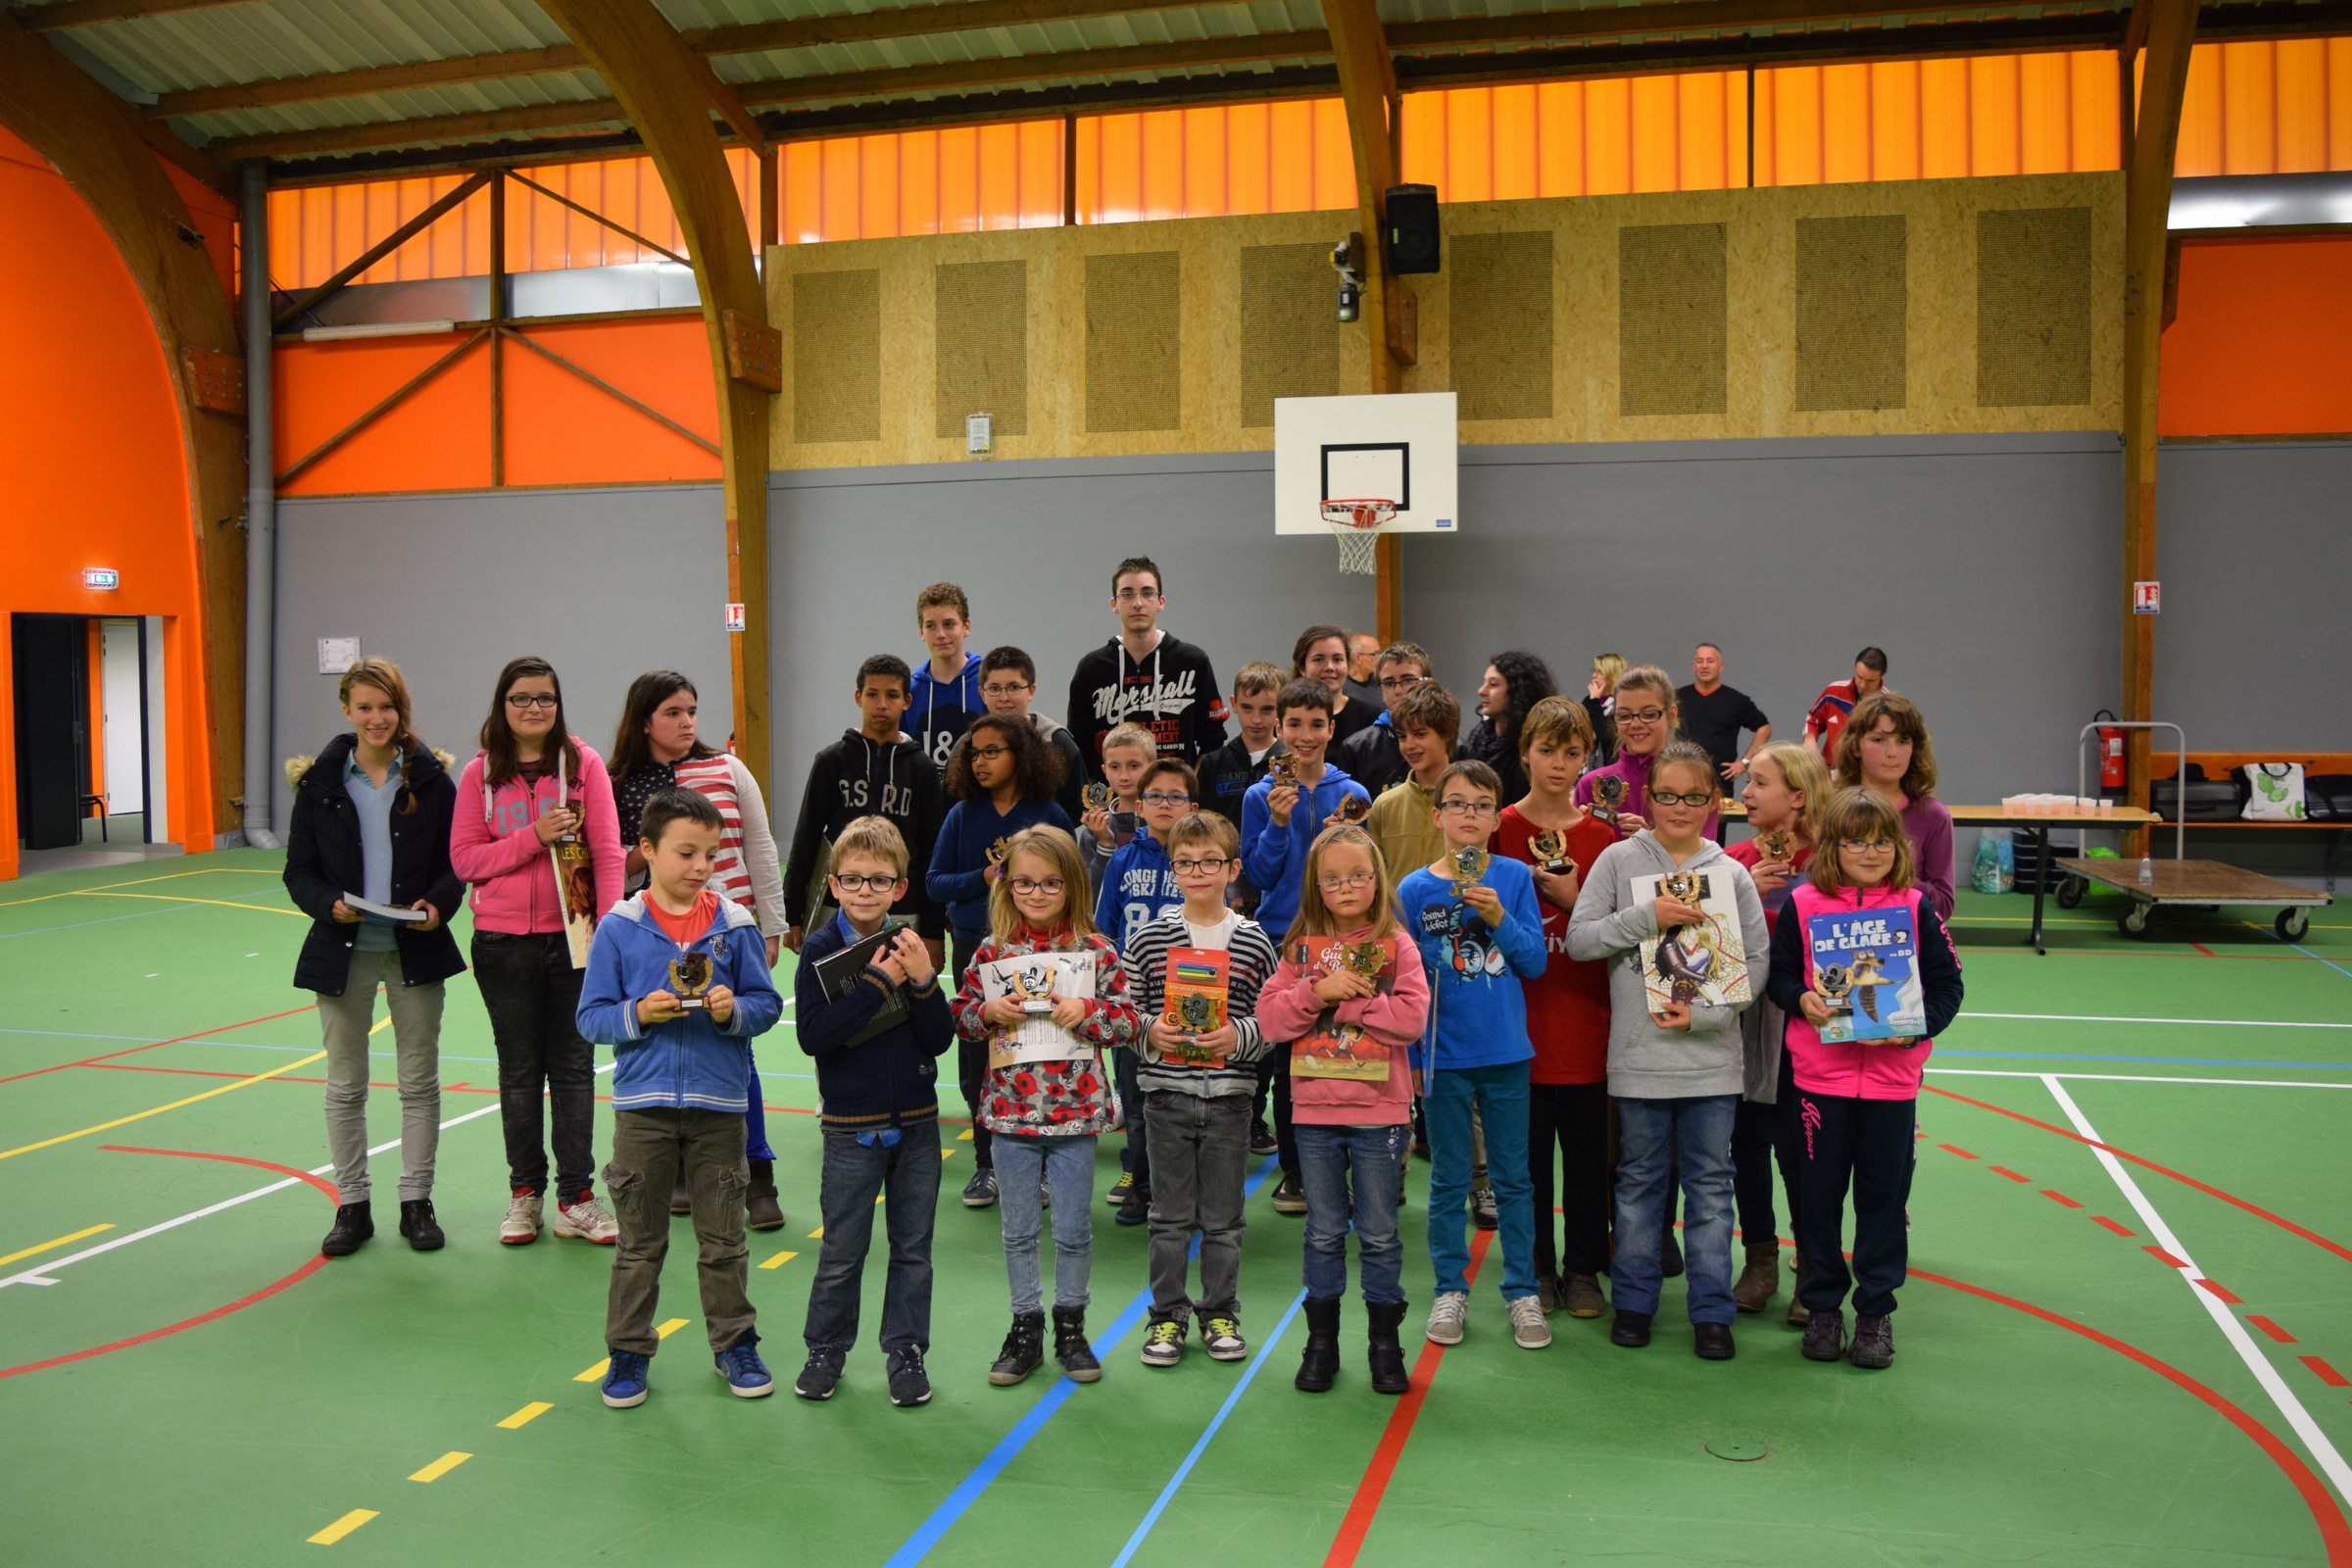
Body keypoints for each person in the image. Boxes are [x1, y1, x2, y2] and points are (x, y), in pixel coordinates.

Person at [576, 787, 786, 1408]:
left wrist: (732, 1010)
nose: (701, 866)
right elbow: (590, 1018)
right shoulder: (619, 927)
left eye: (711, 854)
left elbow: (766, 1005)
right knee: (639, 1245)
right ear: (647, 849)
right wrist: (639, 1013)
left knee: (724, 1241)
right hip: (642, 1111)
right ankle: (627, 1352)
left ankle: (735, 1344)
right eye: (686, 853)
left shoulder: (736, 925)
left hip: (720, 1110)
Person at [1567, 740, 1768, 1360]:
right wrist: (1645, 917)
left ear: (1714, 801)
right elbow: (1580, 940)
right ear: (1647, 797)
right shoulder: (1618, 860)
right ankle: (1634, 1302)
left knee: (1711, 1189)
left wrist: (1707, 1016)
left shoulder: (1731, 874)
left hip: (1712, 1064)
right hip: (1639, 1062)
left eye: (1694, 796)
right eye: (1667, 795)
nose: (1680, 807)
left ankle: (1712, 1311)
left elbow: (1755, 963)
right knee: (1637, 1185)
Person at [1767, 787, 1964, 1369]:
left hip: (1891, 1085)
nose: (1870, 852)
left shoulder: (1915, 907)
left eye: (1882, 842)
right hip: (1818, 1082)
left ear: (1898, 848)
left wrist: (1913, 1029)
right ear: (1832, 846)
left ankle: (1875, 1313)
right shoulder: (1803, 904)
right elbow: (1779, 977)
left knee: (1883, 1199)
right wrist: (1801, 999)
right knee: (1818, 1198)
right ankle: (1823, 1308)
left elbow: (1949, 986)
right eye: (1856, 842)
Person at [949, 825, 1142, 1388]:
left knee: (1074, 1230)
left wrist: (1089, 1013)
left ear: (1073, 884)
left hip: (1075, 1116)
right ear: (1007, 886)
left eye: (1051, 883)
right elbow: (960, 1017)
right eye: (1025, 883)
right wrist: (989, 1013)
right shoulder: (993, 951)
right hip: (1009, 1115)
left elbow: (1128, 1022)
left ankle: (1071, 1327)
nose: (1037, 894)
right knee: (1017, 1231)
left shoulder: (1096, 951)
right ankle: (1025, 1328)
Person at [283, 658, 464, 1257]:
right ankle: (352, 1206)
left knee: (419, 1082)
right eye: (365, 707)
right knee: (344, 1085)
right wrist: (327, 904)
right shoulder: (319, 785)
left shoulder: (433, 780)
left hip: (416, 949)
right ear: (347, 710)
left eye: (387, 707)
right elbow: (299, 871)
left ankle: (417, 1202)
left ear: (400, 710)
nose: (377, 718)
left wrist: (438, 904)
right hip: (343, 953)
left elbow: (454, 865)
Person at [451, 656, 624, 1248]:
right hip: (502, 944)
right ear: (503, 705)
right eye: (521, 698)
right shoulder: (478, 774)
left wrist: (606, 933)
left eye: (545, 698)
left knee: (574, 1068)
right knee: (519, 1070)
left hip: (574, 940)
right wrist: (532, 838)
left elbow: (607, 853)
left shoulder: (583, 766)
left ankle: (576, 1198)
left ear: (558, 704)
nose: (534, 708)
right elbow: (465, 860)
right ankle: (524, 1194)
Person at [611, 670, 791, 1232]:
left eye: (691, 710)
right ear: (644, 721)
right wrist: (652, 848)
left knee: (738, 1050)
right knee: (666, 1041)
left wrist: (770, 926)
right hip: (656, 939)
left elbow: (760, 847)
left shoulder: (728, 769)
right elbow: (611, 868)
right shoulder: (618, 783)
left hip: (727, 934)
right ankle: (683, 1168)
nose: (687, 722)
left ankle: (757, 1175)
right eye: (673, 712)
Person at [1254, 824, 1431, 1395]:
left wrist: (1352, 1003)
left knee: (1379, 1233)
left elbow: (1412, 1020)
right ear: (1316, 886)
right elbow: (1271, 1020)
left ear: (1377, 879)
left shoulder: (1398, 945)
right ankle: (1321, 1344)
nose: (1346, 887)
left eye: (1357, 875)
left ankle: (1385, 1345)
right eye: (1332, 879)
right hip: (1315, 1112)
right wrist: (1316, 992)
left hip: (1380, 1113)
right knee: (1324, 1232)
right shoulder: (1300, 949)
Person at [792, 816, 955, 1408]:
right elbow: (814, 1037)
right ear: (834, 885)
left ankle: (906, 1352)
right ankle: (825, 1350)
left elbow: (939, 1039)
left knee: (913, 1250)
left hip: (916, 1123)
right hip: (849, 1128)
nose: (866, 890)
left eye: (880, 880)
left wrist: (924, 982)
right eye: (854, 879)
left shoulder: (910, 945)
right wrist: (876, 984)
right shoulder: (818, 949)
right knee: (842, 1250)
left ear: (899, 887)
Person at [1396, 760, 1549, 1350]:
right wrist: (1414, 1060)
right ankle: (1449, 1290)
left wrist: (1498, 917)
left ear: (1495, 819)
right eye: (1457, 804)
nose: (1469, 814)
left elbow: (1533, 961)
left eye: (1482, 805)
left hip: (1506, 1054)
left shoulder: (1512, 877)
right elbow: (1407, 985)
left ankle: (1522, 1291)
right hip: (1443, 1059)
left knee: (1514, 1180)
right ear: (1437, 815)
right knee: (1447, 1181)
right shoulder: (1413, 889)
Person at [1122, 810, 1281, 1367]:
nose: (1197, 872)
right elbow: (1124, 1013)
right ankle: (1166, 1316)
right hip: (1165, 1097)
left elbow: (1273, 1021)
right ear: (1173, 870)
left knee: (1224, 1219)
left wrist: (1237, 1037)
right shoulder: (1148, 939)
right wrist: (1149, 1030)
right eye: (1185, 863)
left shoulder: (1254, 942)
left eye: (1210, 862)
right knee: (1168, 1218)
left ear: (1233, 869)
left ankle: (1219, 1312)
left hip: (1231, 1100)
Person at [1490, 697, 1619, 1319]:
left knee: (1590, 1166)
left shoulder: (1604, 838)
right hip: (1518, 1030)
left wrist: (1576, 900)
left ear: (1587, 757)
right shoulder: (1497, 830)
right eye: (1547, 750)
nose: (1560, 764)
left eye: (1572, 752)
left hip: (1589, 1026)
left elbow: (1622, 930)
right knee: (1525, 1166)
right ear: (1525, 754)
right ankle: (1537, 1267)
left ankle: (1583, 1270)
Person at [925, 715, 1073, 1208]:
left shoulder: (1050, 814)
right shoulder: (962, 815)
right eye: (974, 753)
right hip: (977, 948)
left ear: (1021, 755)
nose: (980, 761)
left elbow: (1073, 881)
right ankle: (987, 1164)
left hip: (1042, 951)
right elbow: (935, 883)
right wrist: (985, 877)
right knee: (979, 1060)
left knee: (1041, 1054)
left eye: (993, 751)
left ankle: (1043, 1166)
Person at [1240, 679, 1373, 1217]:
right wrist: (1277, 823)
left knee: (1343, 1056)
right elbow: (1258, 875)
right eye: (1294, 724)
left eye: (1316, 724)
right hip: (1283, 938)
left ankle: (1347, 1171)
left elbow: (1367, 871)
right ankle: (1295, 1173)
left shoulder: (1354, 793)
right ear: (1278, 728)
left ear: (1331, 728)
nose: (1305, 735)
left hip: (1342, 940)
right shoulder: (1260, 795)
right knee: (1286, 1063)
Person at [1722, 742, 1831, 1321]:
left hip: (1804, 1027)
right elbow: (1712, 942)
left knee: (1800, 1149)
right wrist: (1742, 894)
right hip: (1741, 1023)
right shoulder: (1732, 860)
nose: (1746, 791)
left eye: (1760, 783)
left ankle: (1812, 1262)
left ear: (1798, 797)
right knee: (1746, 1144)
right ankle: (1759, 1259)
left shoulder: (1831, 863)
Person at [781, 655, 945, 962]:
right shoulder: (831, 761)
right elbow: (806, 838)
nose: (881, 704)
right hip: (837, 904)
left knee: (898, 989)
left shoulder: (922, 769)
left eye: (892, 695)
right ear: (859, 697)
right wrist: (792, 913)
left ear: (907, 701)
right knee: (833, 987)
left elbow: (932, 851)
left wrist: (933, 930)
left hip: (902, 908)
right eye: (872, 694)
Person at [1095, 756, 1200, 1225]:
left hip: (1190, 996)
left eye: (1176, 796)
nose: (1164, 804)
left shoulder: (1199, 861)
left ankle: (1187, 1189)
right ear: (1138, 805)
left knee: (1189, 1098)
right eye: (1154, 796)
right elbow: (1103, 928)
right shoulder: (1122, 859)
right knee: (1136, 1101)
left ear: (1191, 806)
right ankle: (1142, 1185)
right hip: (1133, 1000)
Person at [1066, 556, 1229, 775]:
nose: (1138, 603)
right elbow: (1080, 745)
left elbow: (1213, 738)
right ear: (1114, 604)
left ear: (1160, 602)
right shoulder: (1091, 668)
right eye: (1127, 594)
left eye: (1147, 593)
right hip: (1112, 795)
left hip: (1174, 794)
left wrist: (1190, 786)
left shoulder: (1192, 662)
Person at [1834, 692, 1955, 921]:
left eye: (1903, 741)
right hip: (1838, 931)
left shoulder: (1933, 815)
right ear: (1855, 746)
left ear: (1915, 748)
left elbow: (1943, 906)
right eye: (1879, 740)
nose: (1892, 753)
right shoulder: (1830, 808)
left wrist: (1895, 867)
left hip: (1903, 935)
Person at [1576, 664, 1719, 838]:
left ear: (1671, 715)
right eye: (1624, 716)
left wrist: (1651, 841)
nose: (1636, 724)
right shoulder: (1592, 785)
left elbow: (1704, 851)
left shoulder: (1696, 781)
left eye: (1649, 714)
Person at [979, 645, 1088, 823]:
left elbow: (1077, 809)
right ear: (982, 694)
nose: (1004, 697)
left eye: (1014, 687)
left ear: (1031, 691)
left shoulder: (1057, 741)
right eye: (994, 688)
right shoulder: (969, 746)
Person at [1197, 662, 1288, 836]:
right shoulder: (1213, 764)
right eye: (1247, 708)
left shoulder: (1290, 763)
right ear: (1234, 703)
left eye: (1267, 709)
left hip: (1276, 850)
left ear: (1282, 707)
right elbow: (1201, 825)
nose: (1256, 719)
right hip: (1223, 851)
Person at [1460, 651, 1556, 806]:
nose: (1481, 691)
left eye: (1493, 685)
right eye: (1484, 683)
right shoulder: (1478, 737)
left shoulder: (1534, 746)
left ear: (1518, 691)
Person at [1339, 642, 1434, 797]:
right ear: (1380, 690)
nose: (1398, 690)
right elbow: (1349, 806)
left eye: (1408, 680)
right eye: (1389, 683)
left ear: (1428, 684)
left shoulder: (1453, 746)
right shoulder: (1357, 748)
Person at [1676, 643, 1772, 794]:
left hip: (1719, 784)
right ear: (1694, 666)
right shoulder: (1677, 698)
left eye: (1710, 661)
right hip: (1680, 777)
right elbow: (1659, 726)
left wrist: (1745, 762)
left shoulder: (1736, 700)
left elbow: (1764, 728)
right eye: (1700, 661)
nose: (1704, 666)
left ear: (1720, 667)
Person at [911, 582, 986, 771]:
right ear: (921, 632)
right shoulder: (910, 692)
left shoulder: (989, 683)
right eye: (931, 626)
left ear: (966, 627)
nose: (940, 634)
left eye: (949, 624)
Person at [1076, 721, 1157, 890]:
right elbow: (1090, 896)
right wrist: (1105, 844)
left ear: (1153, 767)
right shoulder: (1094, 832)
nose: (1124, 776)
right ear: (1105, 772)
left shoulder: (1168, 823)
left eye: (1133, 766)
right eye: (1115, 767)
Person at [1293, 623, 1379, 746]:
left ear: (1348, 665)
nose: (1329, 667)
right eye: (1318, 659)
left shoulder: (1370, 716)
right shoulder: (1287, 715)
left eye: (1337, 659)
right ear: (1302, 668)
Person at [1802, 646, 1888, 759]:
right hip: (1829, 766)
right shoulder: (1834, 692)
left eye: (1870, 681)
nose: (1863, 685)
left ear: (1882, 675)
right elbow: (1814, 718)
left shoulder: (1888, 705)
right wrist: (1810, 739)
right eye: (1859, 677)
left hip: (1866, 768)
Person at [1584, 654, 1626, 767]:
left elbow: (1606, 736)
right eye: (1594, 671)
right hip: (1587, 764)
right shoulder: (1589, 701)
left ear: (1613, 676)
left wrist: (1594, 702)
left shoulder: (1621, 704)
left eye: (1600, 672)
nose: (1594, 676)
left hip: (1610, 763)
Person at [1343, 631, 1387, 711]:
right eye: (1374, 655)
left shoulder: (1380, 681)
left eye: (1380, 653)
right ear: (1358, 658)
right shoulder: (1342, 689)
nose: (1379, 659)